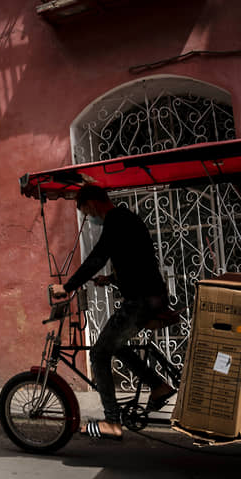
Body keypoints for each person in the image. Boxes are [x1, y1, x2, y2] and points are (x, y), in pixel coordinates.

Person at [50, 185, 173, 441]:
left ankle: (112, 421)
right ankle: (158, 386)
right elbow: (137, 260)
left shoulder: (116, 220)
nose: (89, 217)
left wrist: (67, 287)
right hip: (150, 295)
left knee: (98, 352)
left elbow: (96, 257)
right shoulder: (127, 219)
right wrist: (112, 278)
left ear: (93, 203)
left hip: (140, 301)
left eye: (86, 211)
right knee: (115, 346)